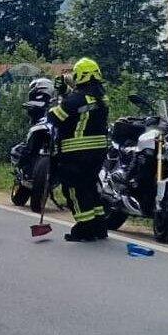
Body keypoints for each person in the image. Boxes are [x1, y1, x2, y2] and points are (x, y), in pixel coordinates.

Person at [48, 58, 110, 242]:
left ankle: (84, 228)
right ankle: (99, 226)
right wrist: (66, 92)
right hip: (98, 152)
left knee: (74, 190)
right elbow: (79, 102)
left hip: (76, 152)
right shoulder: (101, 98)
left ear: (80, 76)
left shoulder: (75, 99)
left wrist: (56, 99)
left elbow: (56, 118)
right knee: (90, 187)